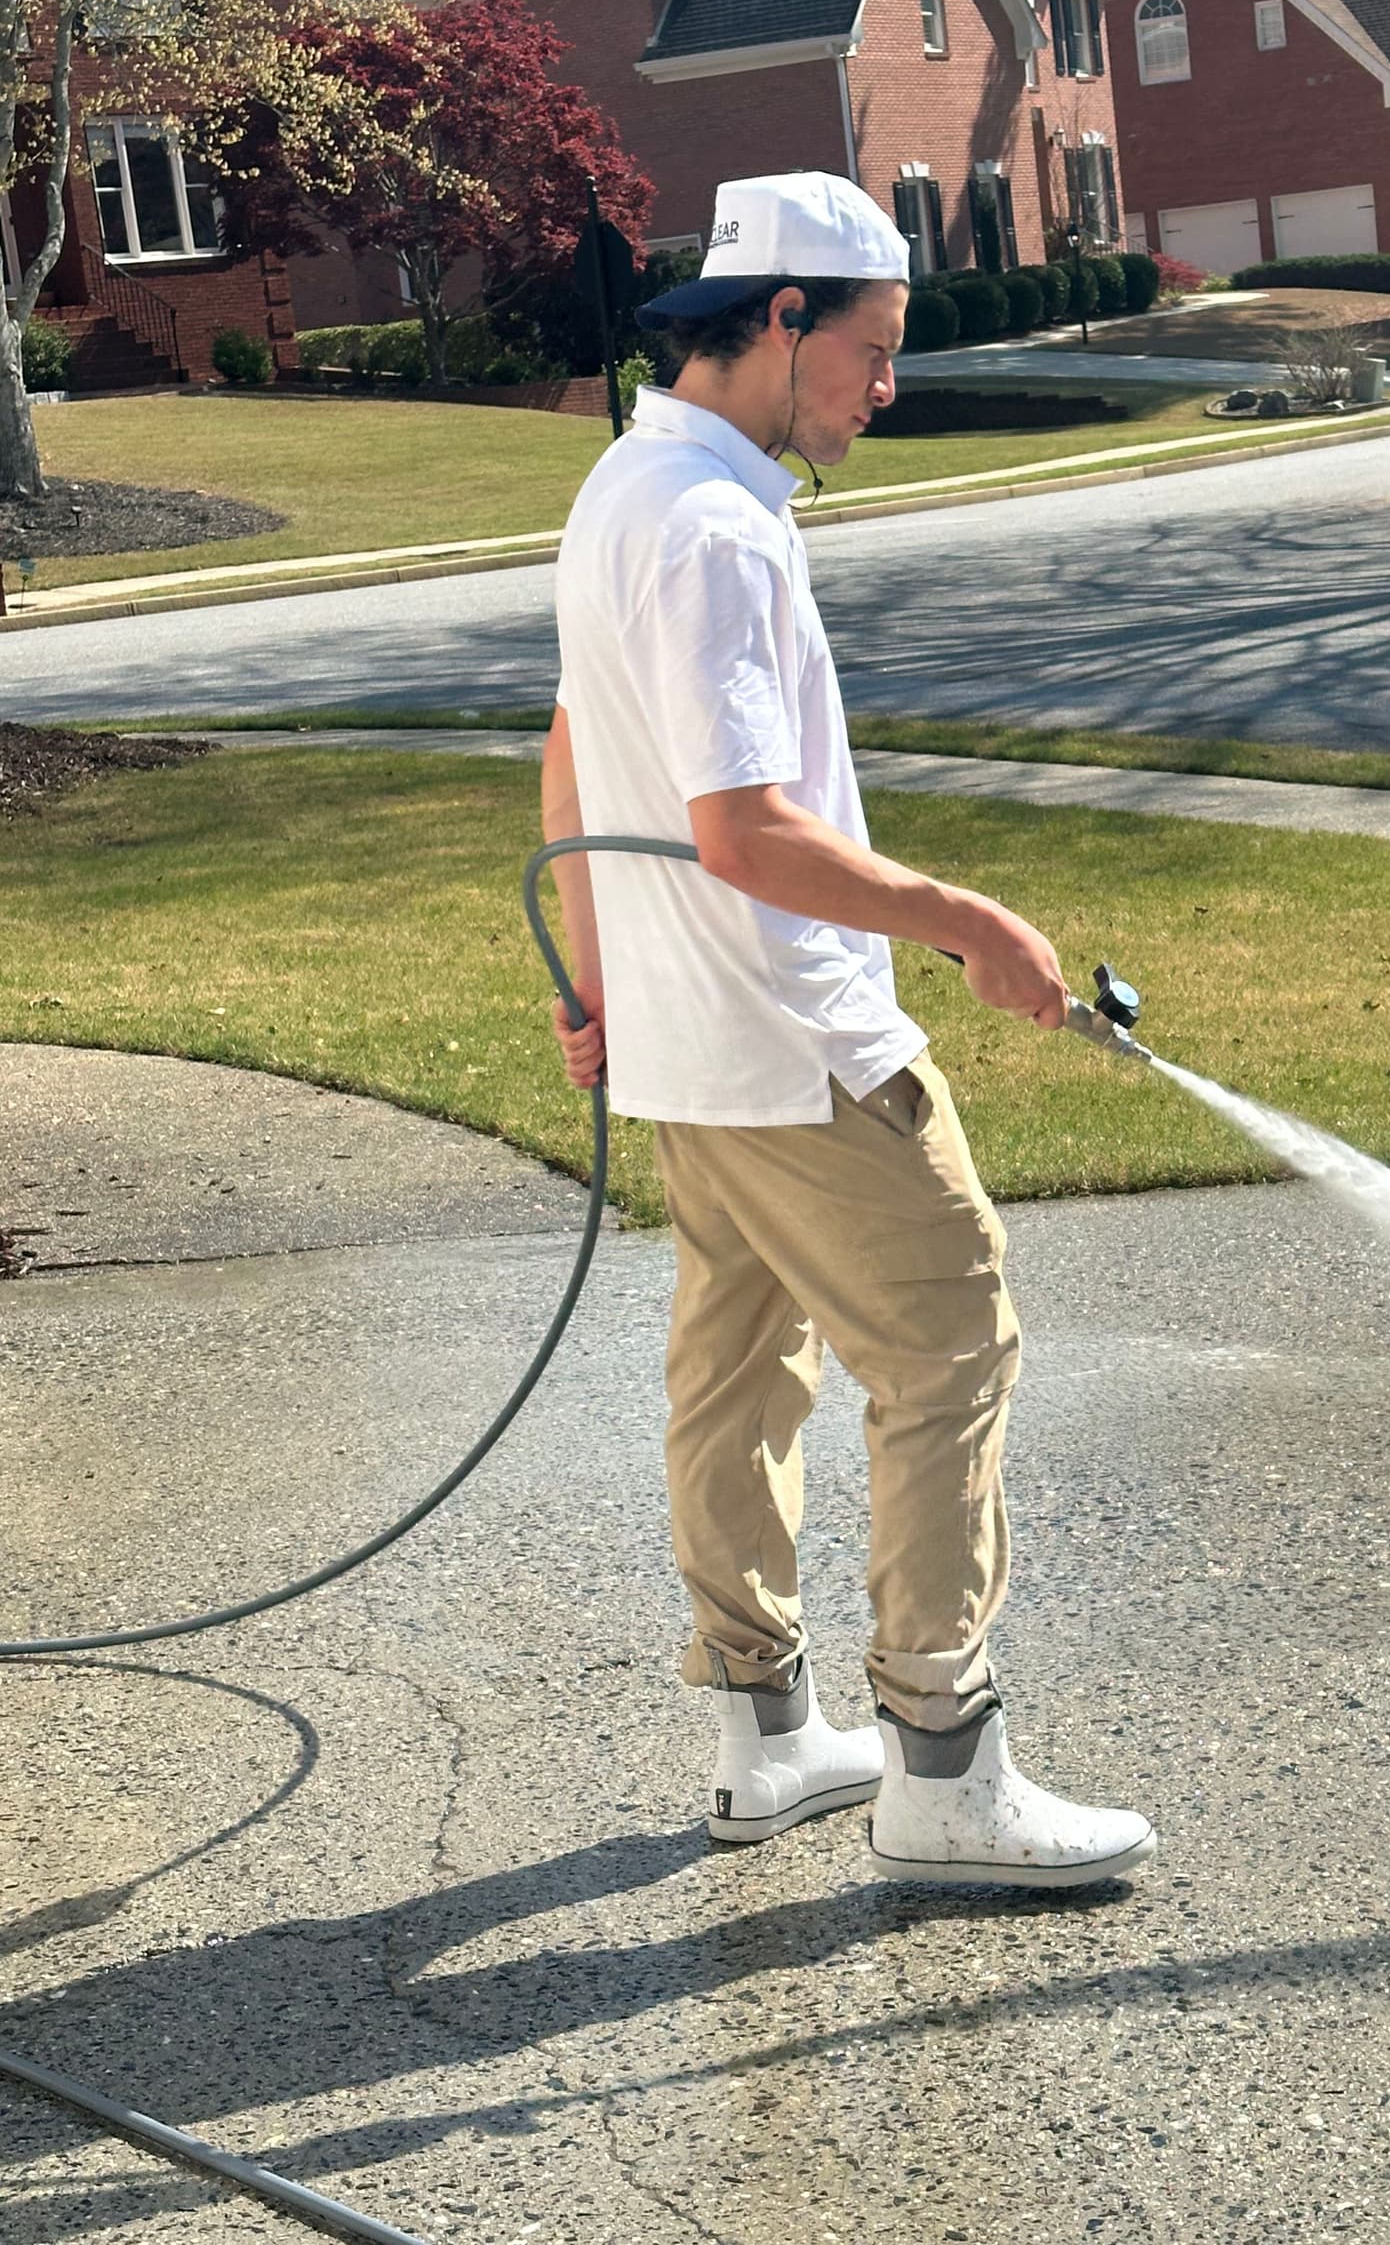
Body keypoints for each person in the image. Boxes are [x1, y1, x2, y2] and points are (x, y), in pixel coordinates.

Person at [541, 171, 1153, 1888]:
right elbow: (744, 831)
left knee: (740, 1367)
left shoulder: (621, 484)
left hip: (687, 1047)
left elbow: (572, 762)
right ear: (783, 321)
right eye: (875, 351)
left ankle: (760, 1738)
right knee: (953, 1346)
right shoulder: (719, 524)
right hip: (796, 1041)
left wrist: (596, 989)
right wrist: (971, 922)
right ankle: (944, 1766)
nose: (892, 385)